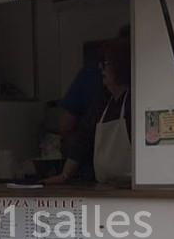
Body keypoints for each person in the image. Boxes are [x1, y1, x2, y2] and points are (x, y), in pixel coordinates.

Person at [46, 35, 133, 185]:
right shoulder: (102, 103)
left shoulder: (134, 102)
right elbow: (83, 139)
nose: (101, 68)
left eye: (106, 63)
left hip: (131, 186)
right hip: (104, 185)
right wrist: (65, 175)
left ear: (121, 66)